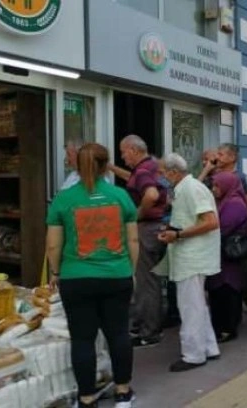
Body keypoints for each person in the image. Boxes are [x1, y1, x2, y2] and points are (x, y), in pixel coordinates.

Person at [46, 143, 137, 408]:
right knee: (119, 334)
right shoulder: (120, 196)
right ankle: (123, 392)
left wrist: (55, 272)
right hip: (116, 275)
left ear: (76, 165)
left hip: (76, 277)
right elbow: (132, 240)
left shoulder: (63, 199)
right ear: (105, 165)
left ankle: (86, 398)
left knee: (82, 338)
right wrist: (131, 271)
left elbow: (53, 244)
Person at [157, 153, 221, 372]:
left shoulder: (190, 188)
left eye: (162, 172)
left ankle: (194, 354)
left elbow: (210, 222)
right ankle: (209, 347)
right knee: (197, 305)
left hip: (193, 256)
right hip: (191, 255)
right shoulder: (186, 187)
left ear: (173, 172)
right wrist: (174, 231)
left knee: (190, 307)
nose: (160, 177)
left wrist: (179, 234)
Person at [109, 135, 169, 348]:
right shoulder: (151, 166)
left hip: (147, 230)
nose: (123, 157)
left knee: (146, 282)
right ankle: (152, 324)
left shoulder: (143, 171)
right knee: (154, 280)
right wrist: (111, 168)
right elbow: (136, 180)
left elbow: (150, 194)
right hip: (159, 227)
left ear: (133, 150)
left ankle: (149, 332)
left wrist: (138, 214)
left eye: (123, 152)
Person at [216, 143, 247, 318]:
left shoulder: (242, 178)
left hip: (238, 232)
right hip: (222, 229)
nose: (217, 157)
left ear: (232, 157)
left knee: (244, 267)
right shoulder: (215, 177)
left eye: (221, 154)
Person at [207, 171, 247, 343]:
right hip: (222, 254)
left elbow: (222, 227)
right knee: (220, 290)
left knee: (228, 290)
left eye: (218, 185)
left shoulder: (235, 204)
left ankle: (228, 328)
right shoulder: (224, 202)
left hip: (229, 254)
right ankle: (222, 326)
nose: (214, 189)